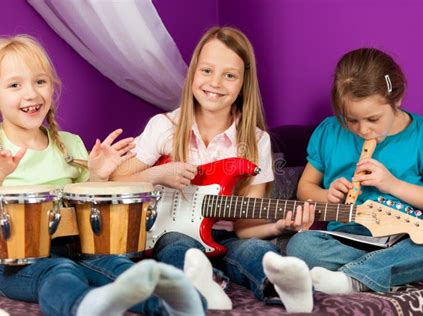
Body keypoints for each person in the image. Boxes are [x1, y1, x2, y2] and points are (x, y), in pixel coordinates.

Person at [0, 34, 206, 316]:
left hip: (80, 250)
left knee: (120, 268)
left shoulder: (70, 144)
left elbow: (90, 222)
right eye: (14, 85)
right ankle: (85, 307)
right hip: (17, 266)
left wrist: (99, 178)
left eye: (40, 81)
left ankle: (177, 305)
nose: (31, 93)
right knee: (59, 272)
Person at [111, 26, 315, 308]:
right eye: (207, 71)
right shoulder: (165, 127)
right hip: (173, 235)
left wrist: (280, 225)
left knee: (257, 250)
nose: (215, 83)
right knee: (176, 247)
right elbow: (116, 180)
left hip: (228, 238)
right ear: (193, 72)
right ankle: (204, 284)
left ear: (244, 83)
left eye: (229, 75)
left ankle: (283, 288)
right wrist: (157, 175)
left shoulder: (257, 141)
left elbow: (245, 229)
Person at [263, 48, 423, 313]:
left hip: (409, 235)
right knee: (301, 245)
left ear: (398, 99)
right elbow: (305, 189)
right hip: (348, 238)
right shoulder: (330, 131)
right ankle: (384, 271)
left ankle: (353, 278)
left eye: (373, 119)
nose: (362, 130)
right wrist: (327, 194)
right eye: (352, 120)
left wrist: (393, 184)